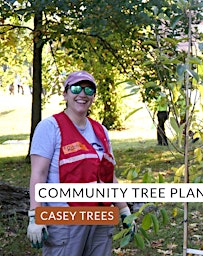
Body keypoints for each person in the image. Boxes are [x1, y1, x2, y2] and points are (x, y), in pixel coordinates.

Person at [27, 70, 133, 255]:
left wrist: (123, 210)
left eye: (89, 90)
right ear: (65, 93)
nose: (82, 94)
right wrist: (35, 215)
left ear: (93, 97)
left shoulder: (100, 131)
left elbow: (109, 177)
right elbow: (39, 174)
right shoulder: (50, 127)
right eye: (76, 88)